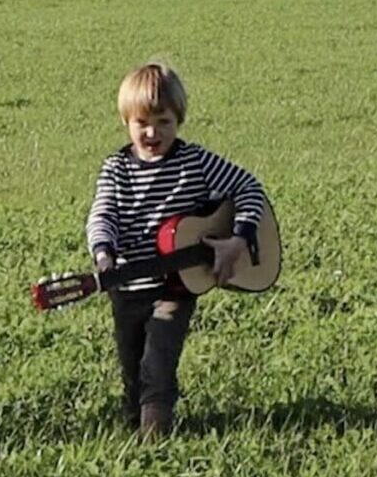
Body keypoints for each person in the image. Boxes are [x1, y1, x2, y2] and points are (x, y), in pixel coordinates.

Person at [85, 61, 269, 439]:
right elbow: (102, 214)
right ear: (126, 122)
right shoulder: (116, 170)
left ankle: (156, 440)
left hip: (175, 288)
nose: (152, 132)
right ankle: (131, 430)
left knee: (158, 362)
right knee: (132, 367)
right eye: (142, 123)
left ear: (179, 119)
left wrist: (238, 239)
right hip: (127, 287)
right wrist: (103, 254)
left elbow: (250, 188)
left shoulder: (196, 163)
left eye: (164, 122)